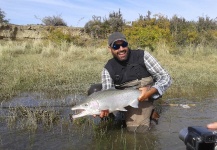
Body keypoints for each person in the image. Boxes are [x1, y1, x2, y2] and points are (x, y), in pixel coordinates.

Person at [99, 32, 172, 133]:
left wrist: (151, 92)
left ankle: (149, 112)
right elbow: (107, 92)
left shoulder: (143, 56)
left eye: (123, 45)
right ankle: (115, 118)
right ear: (110, 49)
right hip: (120, 100)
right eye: (116, 46)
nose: (121, 49)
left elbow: (165, 77)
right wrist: (102, 108)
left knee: (136, 130)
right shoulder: (108, 68)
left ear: (127, 45)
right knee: (94, 92)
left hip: (143, 98)